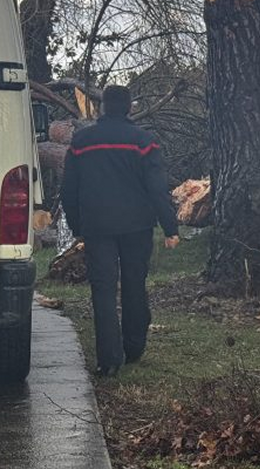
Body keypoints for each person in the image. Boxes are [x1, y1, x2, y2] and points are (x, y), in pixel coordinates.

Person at [61, 85, 179, 377]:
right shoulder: (144, 141)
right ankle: (134, 346)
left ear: (102, 108)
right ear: (129, 108)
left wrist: (78, 225)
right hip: (137, 226)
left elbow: (68, 190)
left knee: (102, 288)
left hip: (97, 226)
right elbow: (156, 188)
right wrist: (170, 227)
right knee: (134, 283)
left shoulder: (81, 141)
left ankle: (109, 359)